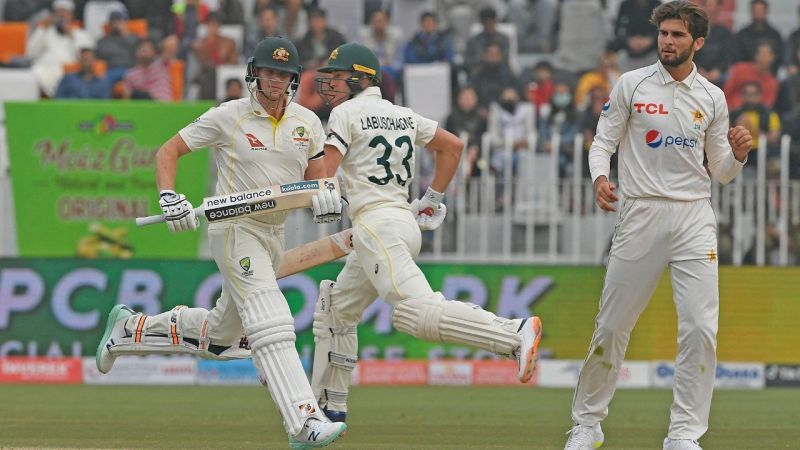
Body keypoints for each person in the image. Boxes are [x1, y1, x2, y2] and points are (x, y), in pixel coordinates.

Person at [95, 37, 347, 449]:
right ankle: (303, 421)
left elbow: (318, 181)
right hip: (233, 230)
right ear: (254, 72)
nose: (275, 80)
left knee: (221, 334)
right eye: (269, 72)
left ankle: (130, 329)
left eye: (283, 74)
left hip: (273, 233)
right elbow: (169, 151)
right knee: (272, 318)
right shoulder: (228, 116)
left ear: (294, 78)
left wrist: (325, 199)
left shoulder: (307, 122)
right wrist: (168, 196)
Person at [310, 43, 542, 425]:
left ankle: (512, 333)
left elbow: (322, 176)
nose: (330, 84)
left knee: (412, 313)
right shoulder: (402, 115)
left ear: (362, 77)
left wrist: (298, 155)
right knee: (337, 309)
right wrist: (432, 197)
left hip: (375, 226)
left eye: (337, 76)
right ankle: (330, 407)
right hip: (403, 219)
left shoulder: (344, 113)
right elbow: (453, 147)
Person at [564, 2, 754, 450]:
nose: (668, 41)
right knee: (612, 326)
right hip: (641, 211)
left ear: (698, 43)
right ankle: (587, 425)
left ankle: (684, 434)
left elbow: (720, 171)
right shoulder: (631, 84)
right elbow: (602, 142)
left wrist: (740, 155)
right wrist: (600, 178)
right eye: (664, 34)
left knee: (700, 329)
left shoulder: (712, 97)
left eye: (678, 36)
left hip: (693, 215)